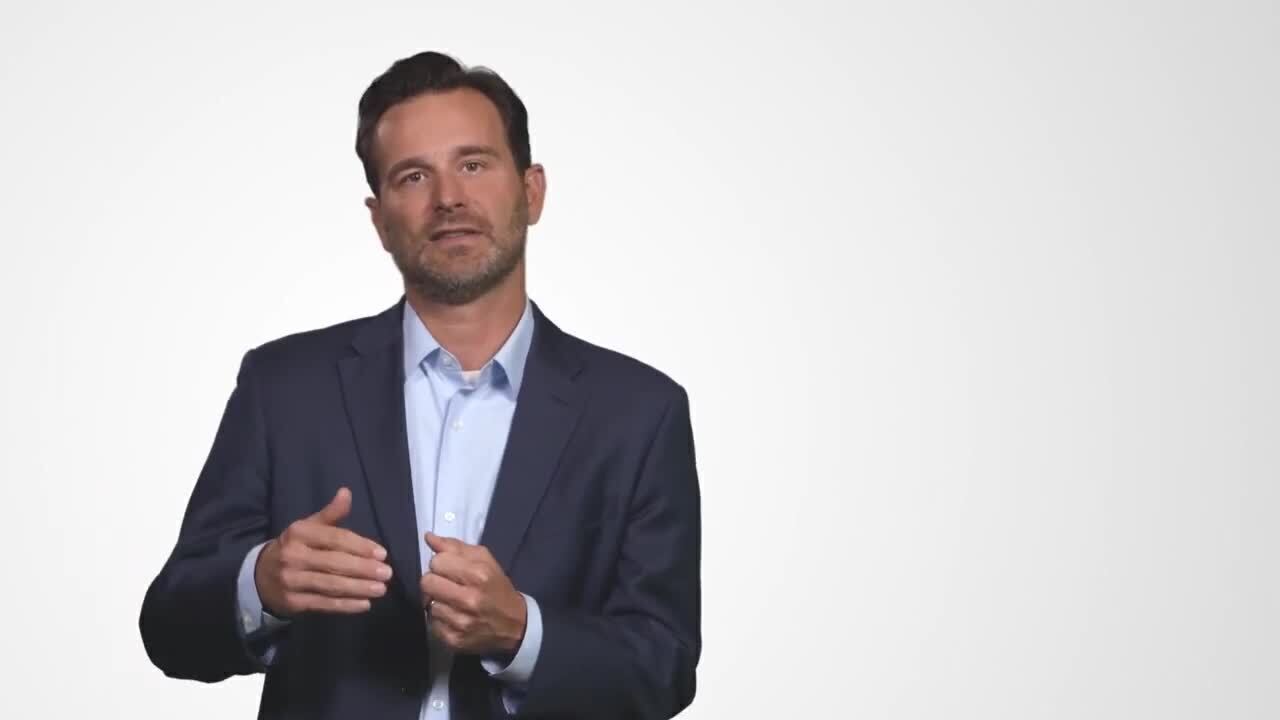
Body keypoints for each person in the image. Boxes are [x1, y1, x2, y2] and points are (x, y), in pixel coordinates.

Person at [138, 50, 701, 720]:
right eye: (413, 176)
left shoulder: (639, 413)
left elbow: (663, 670)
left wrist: (523, 633)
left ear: (532, 190)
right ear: (379, 221)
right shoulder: (284, 387)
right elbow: (170, 629)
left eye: (473, 163)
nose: (449, 198)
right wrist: (260, 583)